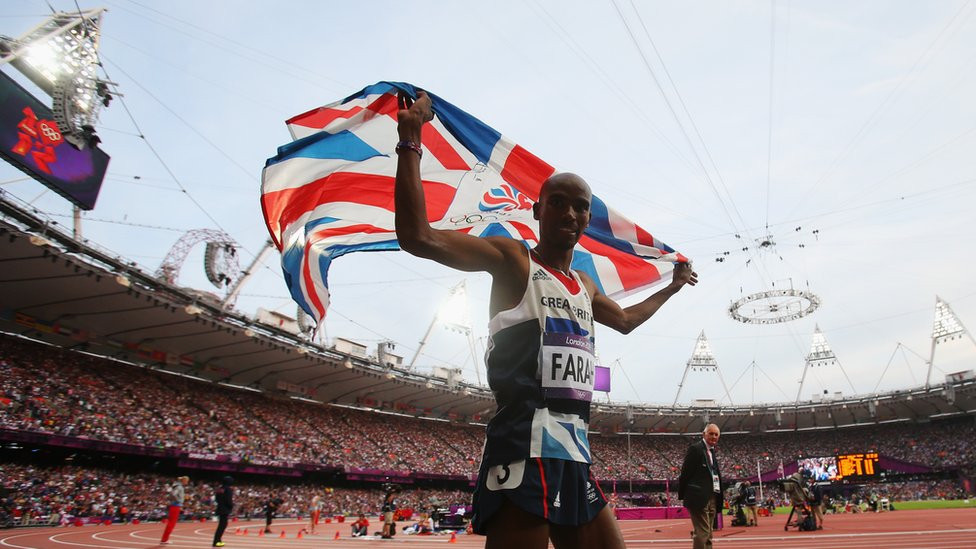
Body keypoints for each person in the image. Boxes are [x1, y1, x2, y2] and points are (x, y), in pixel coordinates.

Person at [394, 91, 697, 549]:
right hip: (523, 449)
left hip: (574, 454)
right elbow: (417, 237)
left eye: (579, 207)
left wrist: (672, 287)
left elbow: (629, 320)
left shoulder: (584, 285)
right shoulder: (513, 260)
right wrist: (412, 139)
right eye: (558, 202)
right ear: (537, 210)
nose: (570, 213)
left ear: (588, 219)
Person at [678, 424, 723, 549]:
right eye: (711, 433)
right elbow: (685, 473)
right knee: (702, 532)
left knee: (708, 533)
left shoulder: (712, 451)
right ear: (704, 434)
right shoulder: (696, 449)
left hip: (712, 497)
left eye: (716, 434)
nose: (714, 436)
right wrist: (684, 495)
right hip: (698, 497)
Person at [160, 476, 189, 544]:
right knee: (171, 523)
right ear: (184, 481)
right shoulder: (179, 487)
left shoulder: (178, 486)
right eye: (187, 481)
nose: (187, 482)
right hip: (175, 506)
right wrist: (179, 501)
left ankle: (165, 539)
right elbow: (173, 494)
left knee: (171, 523)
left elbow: (174, 494)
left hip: (175, 506)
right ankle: (164, 539)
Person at [212, 476, 233, 548]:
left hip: (220, 508)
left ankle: (218, 540)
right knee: (222, 525)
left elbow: (216, 498)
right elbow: (228, 500)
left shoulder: (220, 489)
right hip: (225, 509)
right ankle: (216, 541)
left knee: (221, 525)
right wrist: (231, 506)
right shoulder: (228, 489)